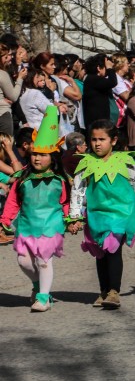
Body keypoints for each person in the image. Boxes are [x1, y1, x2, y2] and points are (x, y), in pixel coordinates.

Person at [67, 119, 135, 309]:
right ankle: (104, 290)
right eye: (93, 140)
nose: (97, 144)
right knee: (100, 253)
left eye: (102, 139)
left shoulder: (125, 161)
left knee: (112, 248)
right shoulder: (86, 163)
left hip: (121, 213)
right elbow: (78, 190)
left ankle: (114, 291)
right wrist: (74, 216)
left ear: (114, 140)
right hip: (97, 214)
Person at [0, 106, 70, 312]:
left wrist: (71, 219)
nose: (37, 158)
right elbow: (13, 200)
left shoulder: (60, 180)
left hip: (51, 224)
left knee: (44, 260)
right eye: (34, 154)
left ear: (53, 158)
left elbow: (66, 202)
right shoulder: (22, 178)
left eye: (43, 155)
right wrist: (5, 220)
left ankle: (43, 298)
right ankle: (38, 286)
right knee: (23, 262)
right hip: (28, 224)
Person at [81, 54, 118, 131]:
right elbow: (112, 82)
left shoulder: (94, 79)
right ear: (98, 68)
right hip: (96, 120)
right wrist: (110, 68)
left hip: (100, 119)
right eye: (105, 67)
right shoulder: (93, 79)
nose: (107, 71)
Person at [0, 43, 25, 136]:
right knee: (5, 147)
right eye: (6, 57)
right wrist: (20, 79)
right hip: (2, 116)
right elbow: (13, 96)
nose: (9, 59)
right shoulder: (2, 74)